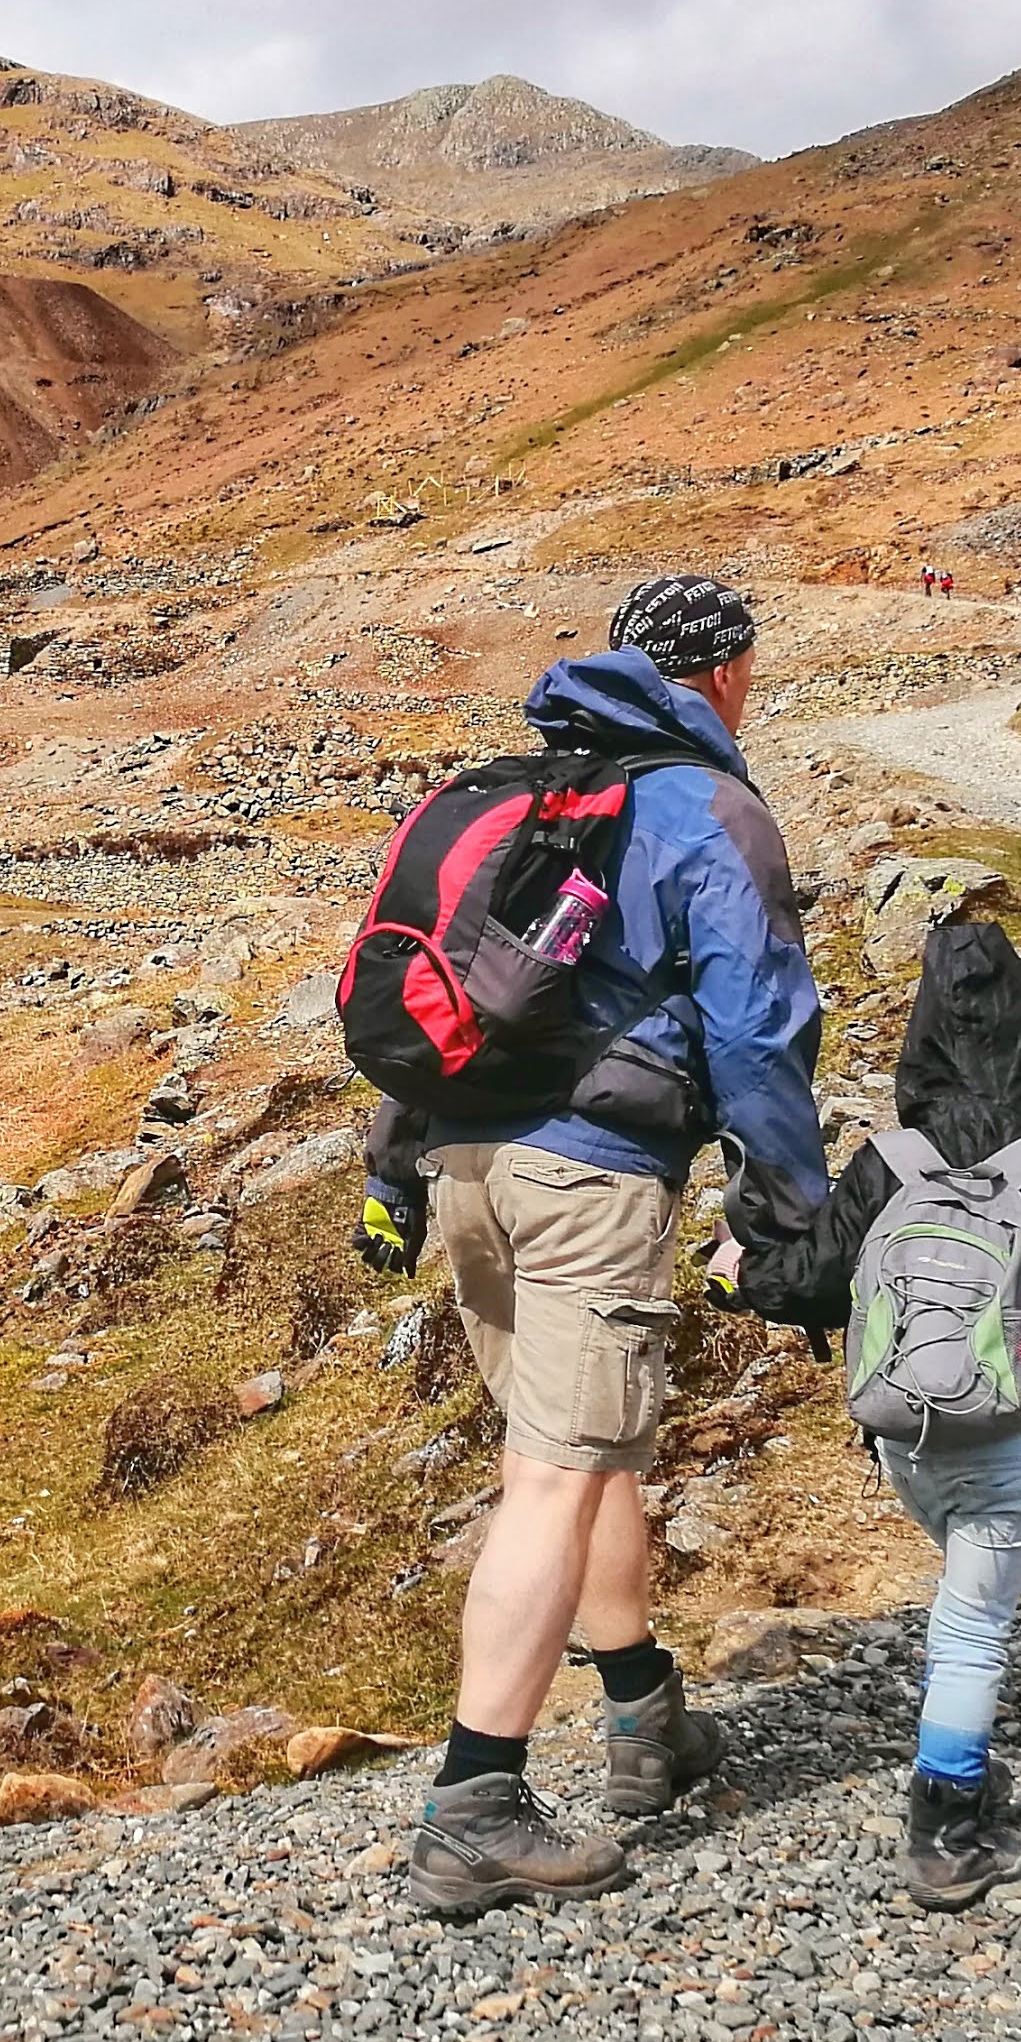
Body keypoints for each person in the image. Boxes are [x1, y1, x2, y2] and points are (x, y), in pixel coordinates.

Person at [362, 573, 830, 1921]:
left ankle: (642, 1716)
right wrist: (785, 1205)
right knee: (556, 1478)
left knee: (570, 1450)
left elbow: (442, 984)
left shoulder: (525, 793)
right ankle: (476, 1806)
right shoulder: (705, 806)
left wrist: (393, 1167)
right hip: (589, 1177)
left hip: (464, 1164)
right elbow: (756, 1029)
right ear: (725, 672)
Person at [735, 895, 1021, 1905]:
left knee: (961, 1594)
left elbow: (802, 1284)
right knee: (973, 1625)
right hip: (1019, 1433)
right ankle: (948, 1821)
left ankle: (958, 1758)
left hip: (900, 1434)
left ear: (920, 1051)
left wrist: (743, 1265)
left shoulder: (889, 1164)